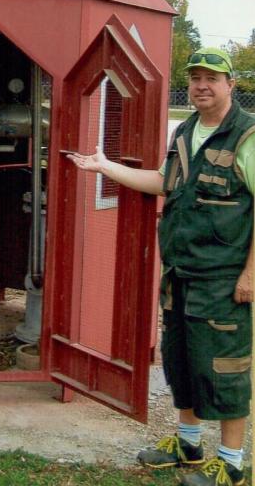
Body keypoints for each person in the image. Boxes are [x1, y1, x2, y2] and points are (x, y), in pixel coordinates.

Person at [68, 47, 255, 486]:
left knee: (226, 368)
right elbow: (162, 183)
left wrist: (251, 275)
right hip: (181, 274)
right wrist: (105, 167)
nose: (202, 86)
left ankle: (233, 464)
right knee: (182, 361)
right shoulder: (186, 132)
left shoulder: (247, 137)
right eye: (195, 78)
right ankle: (189, 445)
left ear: (231, 85)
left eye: (212, 78)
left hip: (225, 279)